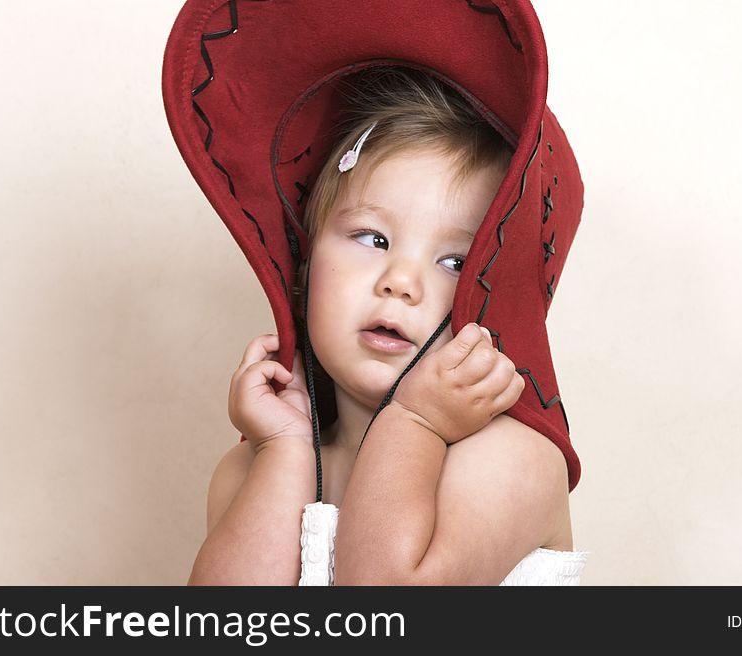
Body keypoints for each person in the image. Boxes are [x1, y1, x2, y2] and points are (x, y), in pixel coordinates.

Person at [186, 68, 589, 585]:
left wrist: (415, 420)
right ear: (304, 265)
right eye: (373, 239)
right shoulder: (250, 470)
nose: (400, 282)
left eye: (456, 263)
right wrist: (285, 451)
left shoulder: (513, 459)